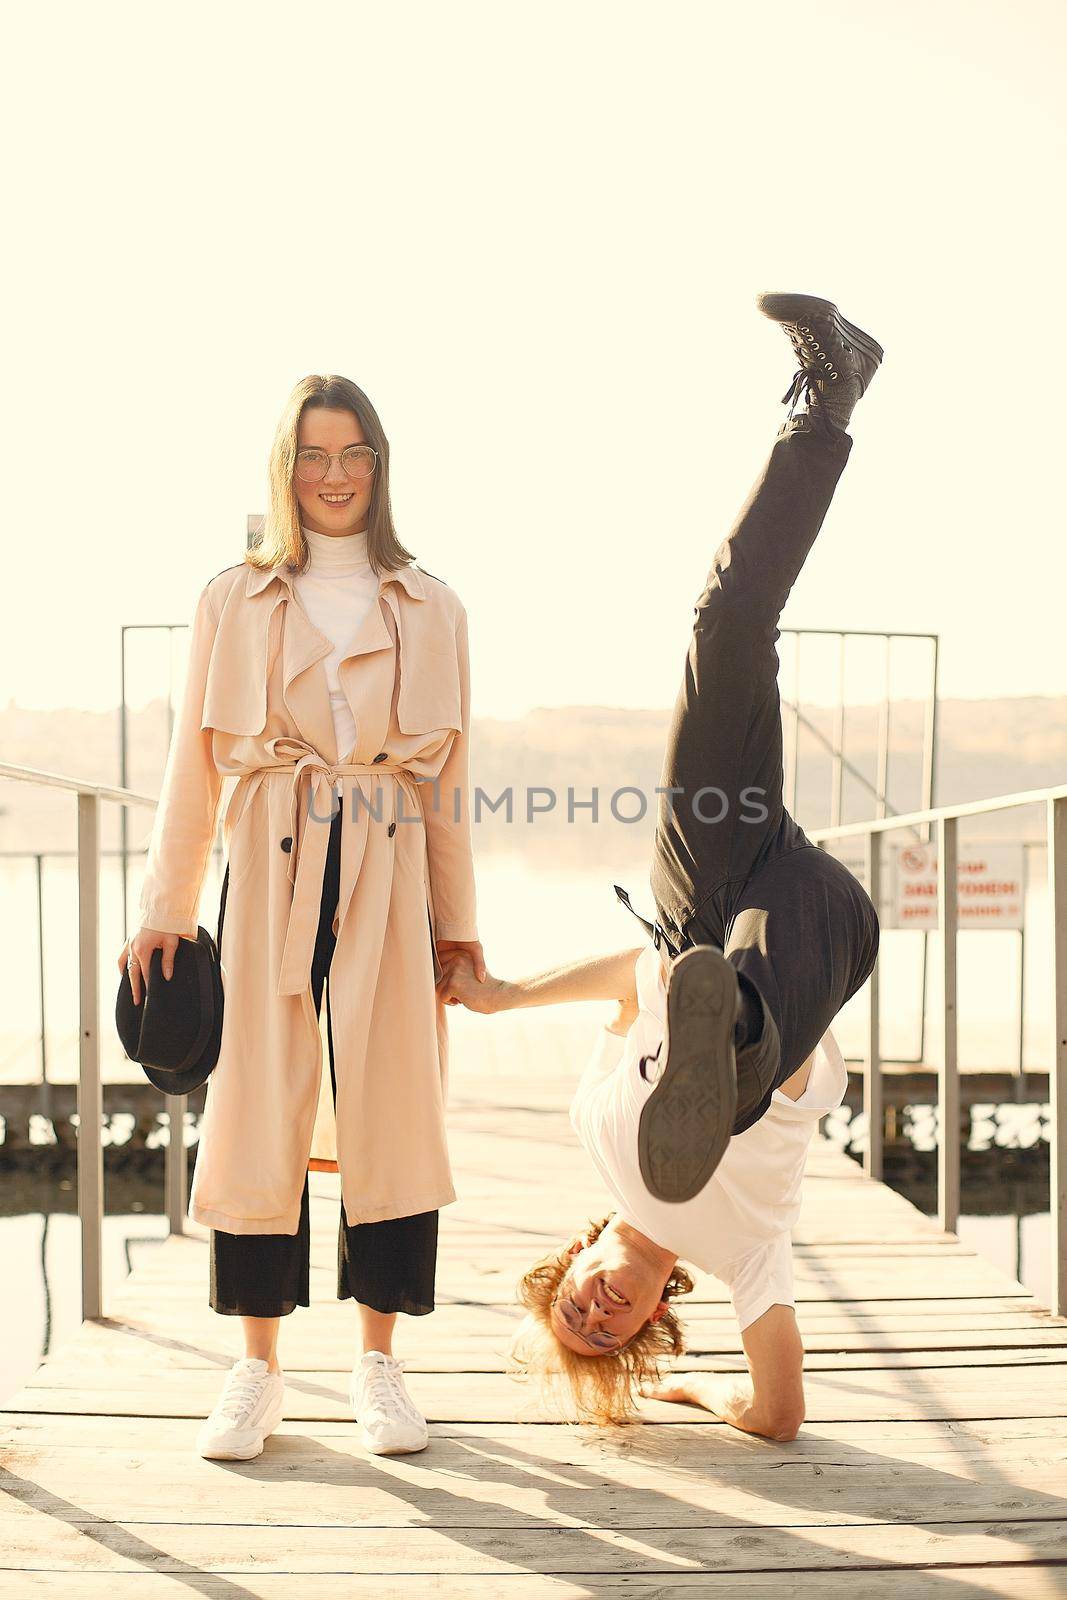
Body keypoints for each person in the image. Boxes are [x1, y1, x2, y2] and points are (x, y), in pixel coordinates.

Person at [438, 293, 882, 1431]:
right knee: (749, 1021)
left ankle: (823, 398)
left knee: (720, 627)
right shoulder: (744, 1254)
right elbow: (780, 1412)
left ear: (567, 1259)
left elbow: (623, 982)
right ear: (651, 1319)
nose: (597, 1312)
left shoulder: (592, 1129)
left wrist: (497, 997)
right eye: (611, 1333)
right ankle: (732, 1044)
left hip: (709, 887)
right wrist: (710, 1390)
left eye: (572, 1310)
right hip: (813, 935)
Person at [118, 375, 484, 1460]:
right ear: (286, 470)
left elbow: (451, 780)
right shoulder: (232, 598)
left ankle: (379, 1367)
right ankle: (255, 1369)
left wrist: (456, 929)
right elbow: (193, 765)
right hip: (267, 853)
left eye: (353, 454)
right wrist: (165, 910)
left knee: (389, 1108)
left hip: (387, 857)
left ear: (379, 465)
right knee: (256, 1111)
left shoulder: (433, 603)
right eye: (313, 456)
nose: (334, 476)